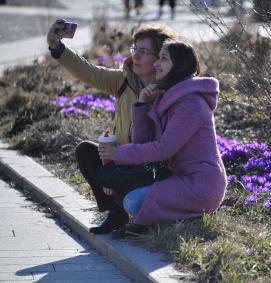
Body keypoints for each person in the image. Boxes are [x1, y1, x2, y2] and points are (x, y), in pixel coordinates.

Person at [46, 20, 177, 234]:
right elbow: (88, 72)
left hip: (149, 167)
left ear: (161, 58)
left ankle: (137, 210)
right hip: (121, 159)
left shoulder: (170, 92)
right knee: (86, 152)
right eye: (135, 49)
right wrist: (56, 47)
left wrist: (118, 168)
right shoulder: (123, 80)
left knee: (122, 179)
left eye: (144, 51)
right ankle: (116, 213)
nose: (135, 55)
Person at [97, 40, 227, 239]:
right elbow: (144, 143)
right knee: (122, 193)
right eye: (158, 58)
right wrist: (142, 105)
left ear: (180, 65)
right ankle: (172, 215)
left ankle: (186, 216)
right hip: (175, 177)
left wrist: (119, 154)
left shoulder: (191, 103)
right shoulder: (167, 95)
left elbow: (164, 149)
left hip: (200, 185)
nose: (156, 64)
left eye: (164, 59)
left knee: (132, 202)